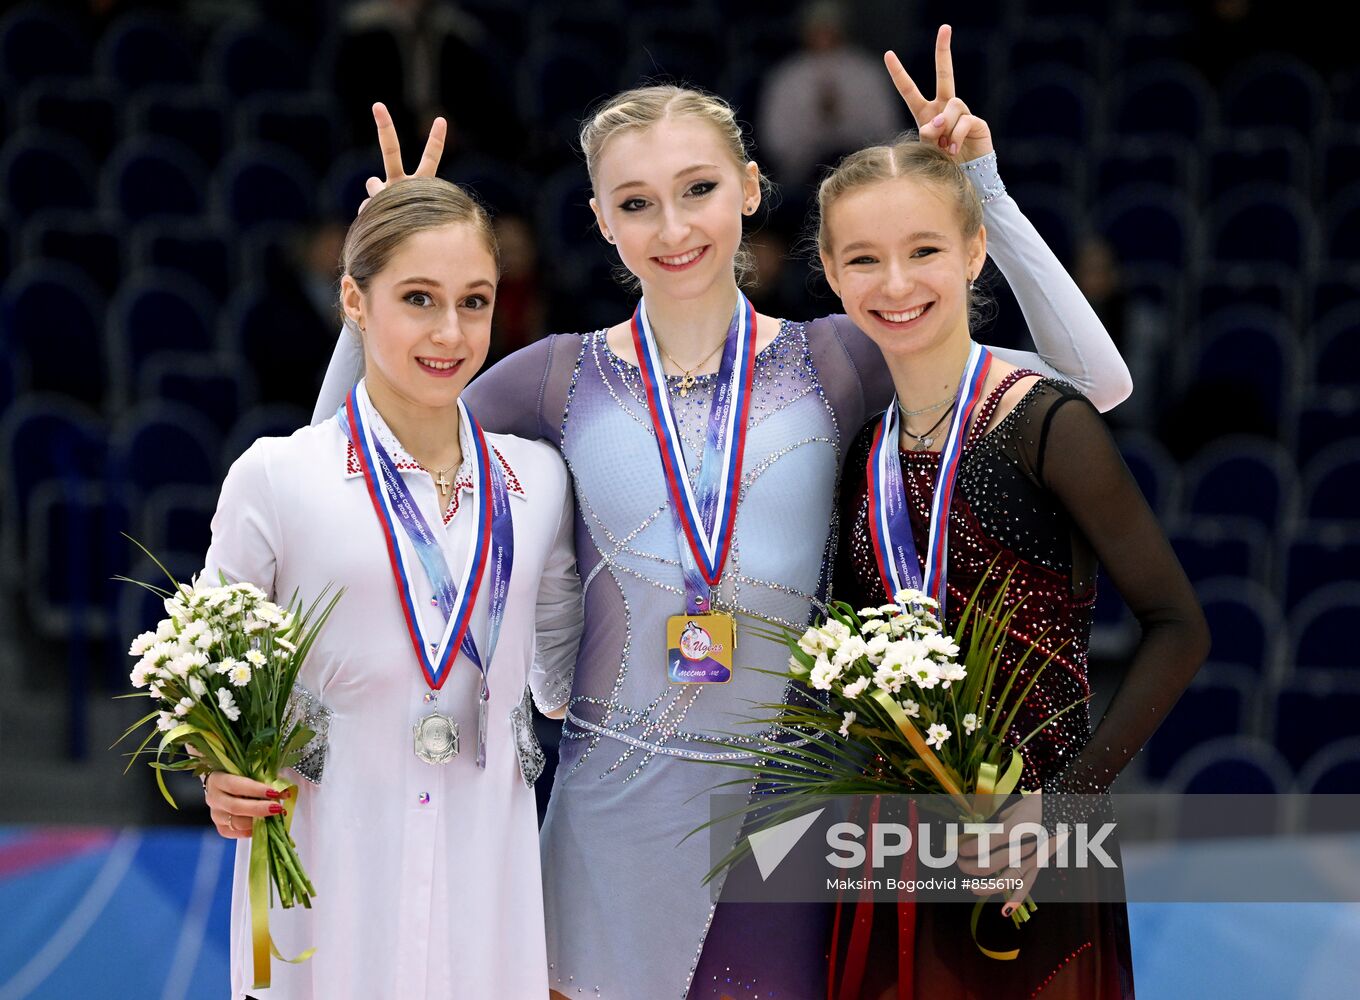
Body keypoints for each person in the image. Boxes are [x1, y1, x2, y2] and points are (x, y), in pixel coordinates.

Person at [312, 28, 1135, 998]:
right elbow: (333, 466)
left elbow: (1094, 380)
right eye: (636, 202)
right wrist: (378, 277)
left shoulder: (840, 359)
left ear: (749, 187)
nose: (673, 226)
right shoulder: (556, 379)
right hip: (606, 831)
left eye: (698, 189)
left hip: (783, 826)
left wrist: (982, 188)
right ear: (600, 221)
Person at [821, 136, 1210, 996]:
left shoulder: (1044, 422)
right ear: (831, 273)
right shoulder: (858, 455)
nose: (896, 283)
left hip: (1040, 845)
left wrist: (1061, 808)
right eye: (864, 260)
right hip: (892, 855)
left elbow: (1181, 628)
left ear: (972, 253)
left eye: (924, 251)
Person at [201, 177, 583, 999]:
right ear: (354, 299)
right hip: (329, 865)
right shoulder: (278, 477)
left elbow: (562, 677)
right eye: (418, 298)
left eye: (474, 302)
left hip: (486, 870)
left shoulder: (541, 481)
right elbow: (206, 674)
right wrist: (212, 769)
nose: (450, 332)